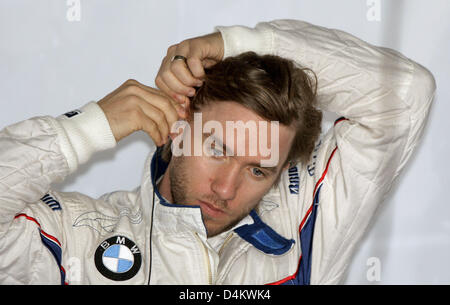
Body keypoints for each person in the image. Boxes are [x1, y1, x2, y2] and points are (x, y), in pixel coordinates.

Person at [0, 19, 435, 285]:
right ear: (178, 125)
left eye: (259, 170)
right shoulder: (75, 238)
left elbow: (405, 93)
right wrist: (87, 130)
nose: (226, 189)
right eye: (218, 148)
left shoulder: (304, 228)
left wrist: (239, 43)